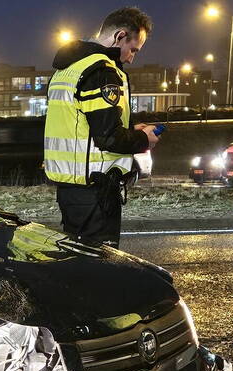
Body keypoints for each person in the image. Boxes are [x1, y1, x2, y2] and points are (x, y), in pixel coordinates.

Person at [44, 7, 160, 247]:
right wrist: (143, 139)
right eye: (133, 49)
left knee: (78, 264)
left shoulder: (67, 68)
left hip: (71, 190)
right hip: (95, 192)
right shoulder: (101, 71)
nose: (131, 58)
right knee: (100, 272)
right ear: (119, 36)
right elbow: (108, 138)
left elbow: (83, 125)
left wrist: (129, 128)